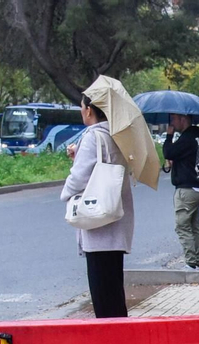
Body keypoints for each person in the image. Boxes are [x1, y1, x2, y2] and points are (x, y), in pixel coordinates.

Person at [61, 88, 135, 318]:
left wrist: (66, 194)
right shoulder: (118, 136)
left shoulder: (92, 136)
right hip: (117, 219)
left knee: (102, 297)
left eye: (82, 107)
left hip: (98, 222)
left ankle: (111, 343)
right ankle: (122, 338)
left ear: (89, 110)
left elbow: (79, 177)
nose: (82, 111)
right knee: (114, 292)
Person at [161, 113, 199, 270]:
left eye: (173, 119)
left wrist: (169, 135)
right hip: (197, 186)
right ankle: (198, 261)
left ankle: (191, 262)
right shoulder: (196, 138)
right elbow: (182, 156)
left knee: (182, 226)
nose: (171, 123)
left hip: (186, 188)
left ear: (183, 119)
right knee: (194, 225)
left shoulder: (187, 138)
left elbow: (168, 152)